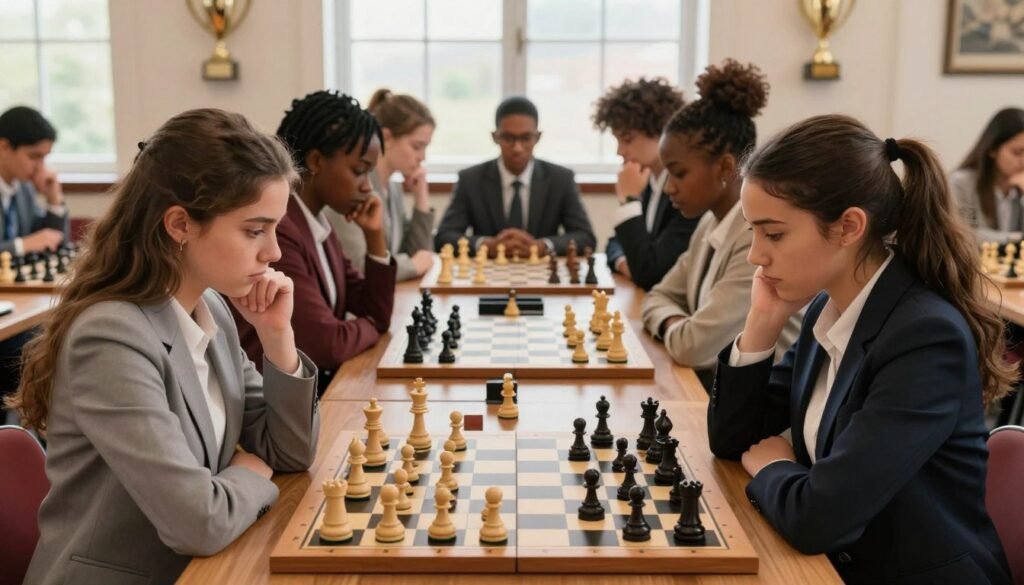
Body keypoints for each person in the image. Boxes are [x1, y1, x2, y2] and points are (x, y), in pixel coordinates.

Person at [6, 108, 320, 585]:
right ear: (180, 225)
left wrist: (279, 337)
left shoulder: (212, 309)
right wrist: (252, 476)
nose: (274, 252)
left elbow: (290, 452)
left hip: (202, 567)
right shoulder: (111, 337)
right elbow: (197, 522)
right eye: (254, 230)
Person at [708, 114, 1013, 585]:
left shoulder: (925, 338)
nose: (755, 255)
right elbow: (732, 440)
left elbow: (819, 519)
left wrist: (773, 468)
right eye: (753, 232)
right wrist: (762, 324)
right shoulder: (827, 311)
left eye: (774, 233)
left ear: (849, 226)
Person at [641, 60, 798, 388]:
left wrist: (675, 327)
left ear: (725, 166)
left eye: (679, 172)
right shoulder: (710, 224)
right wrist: (678, 323)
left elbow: (693, 347)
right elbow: (658, 295)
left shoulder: (755, 238)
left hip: (768, 415)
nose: (669, 187)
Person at [234, 91, 396, 394]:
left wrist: (375, 236)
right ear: (316, 160)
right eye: (359, 171)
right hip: (270, 402)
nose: (367, 186)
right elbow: (327, 344)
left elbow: (372, 306)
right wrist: (372, 325)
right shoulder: (281, 229)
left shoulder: (316, 221)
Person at [434, 96, 596, 257]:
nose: (517, 148)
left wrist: (542, 246)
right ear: (495, 137)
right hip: (488, 276)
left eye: (526, 138)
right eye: (508, 138)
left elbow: (586, 237)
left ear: (537, 137)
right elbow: (444, 237)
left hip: (541, 276)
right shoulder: (470, 180)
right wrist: (486, 245)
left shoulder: (561, 179)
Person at [592, 77, 702, 290]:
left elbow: (650, 272)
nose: (619, 151)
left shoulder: (686, 192)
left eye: (627, 139)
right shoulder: (649, 180)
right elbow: (615, 244)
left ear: (662, 131)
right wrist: (627, 263)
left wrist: (628, 200)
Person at [328, 88, 436, 281]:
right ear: (386, 137)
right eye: (417, 146)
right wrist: (411, 266)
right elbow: (359, 265)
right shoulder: (356, 186)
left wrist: (421, 197)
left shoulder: (392, 188)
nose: (422, 157)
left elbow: (418, 254)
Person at [0, 106, 70, 400]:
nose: (40, 167)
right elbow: (30, 245)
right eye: (34, 156)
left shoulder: (25, 190)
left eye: (45, 157)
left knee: (59, 337)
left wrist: (54, 200)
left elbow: (51, 244)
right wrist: (20, 245)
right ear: (4, 146)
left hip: (18, 306)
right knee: (40, 351)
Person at [950, 107, 1024, 244]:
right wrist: (1014, 238)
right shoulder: (962, 183)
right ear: (993, 149)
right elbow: (958, 233)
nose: (1023, 161)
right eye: (1017, 152)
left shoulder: (1020, 185)